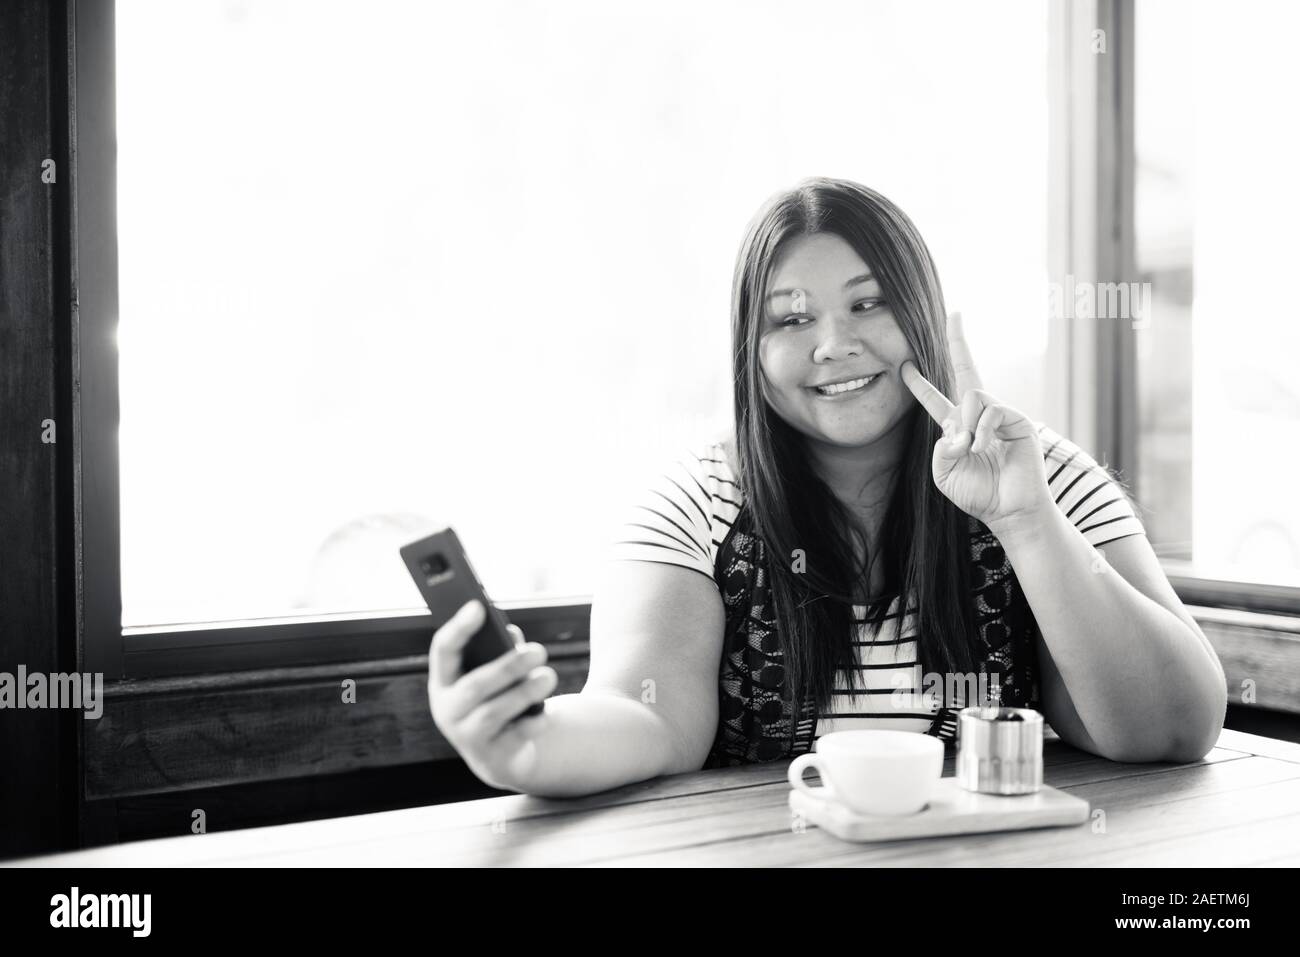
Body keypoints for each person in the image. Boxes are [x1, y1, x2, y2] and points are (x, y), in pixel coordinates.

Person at [426, 177, 1227, 797]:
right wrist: (528, 745)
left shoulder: (1036, 471)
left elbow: (1174, 726)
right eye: (790, 319)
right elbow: (645, 714)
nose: (834, 345)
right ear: (752, 350)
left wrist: (1025, 521)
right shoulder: (694, 505)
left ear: (923, 313)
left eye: (868, 303)